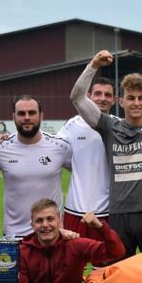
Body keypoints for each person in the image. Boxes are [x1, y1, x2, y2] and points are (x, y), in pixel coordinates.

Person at [68, 47, 142, 257]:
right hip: (119, 215)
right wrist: (94, 65)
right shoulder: (108, 126)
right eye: (131, 98)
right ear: (121, 101)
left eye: (141, 98)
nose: (136, 103)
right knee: (121, 274)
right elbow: (77, 97)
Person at [0, 96, 72, 237]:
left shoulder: (60, 147)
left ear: (41, 116)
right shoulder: (1, 148)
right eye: (21, 113)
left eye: (32, 113)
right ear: (13, 117)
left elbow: (84, 173)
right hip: (14, 236)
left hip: (51, 233)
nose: (26, 117)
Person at [58, 76, 114, 238]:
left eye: (107, 95)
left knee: (105, 262)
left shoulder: (119, 126)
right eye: (98, 93)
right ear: (88, 96)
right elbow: (54, 151)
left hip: (108, 212)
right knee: (73, 262)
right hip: (75, 210)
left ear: (115, 100)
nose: (102, 98)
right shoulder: (72, 125)